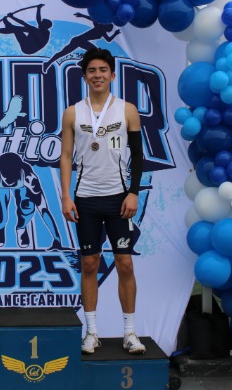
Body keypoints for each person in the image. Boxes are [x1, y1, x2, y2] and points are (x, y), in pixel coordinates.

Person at [60, 47, 146, 355]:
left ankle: (130, 332)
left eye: (102, 70)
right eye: (92, 71)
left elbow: (138, 156)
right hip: (85, 199)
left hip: (118, 198)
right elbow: (66, 157)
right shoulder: (73, 112)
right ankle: (92, 332)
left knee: (125, 264)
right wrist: (66, 196)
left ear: (112, 75)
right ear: (85, 77)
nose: (97, 75)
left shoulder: (127, 110)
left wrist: (133, 192)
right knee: (89, 263)